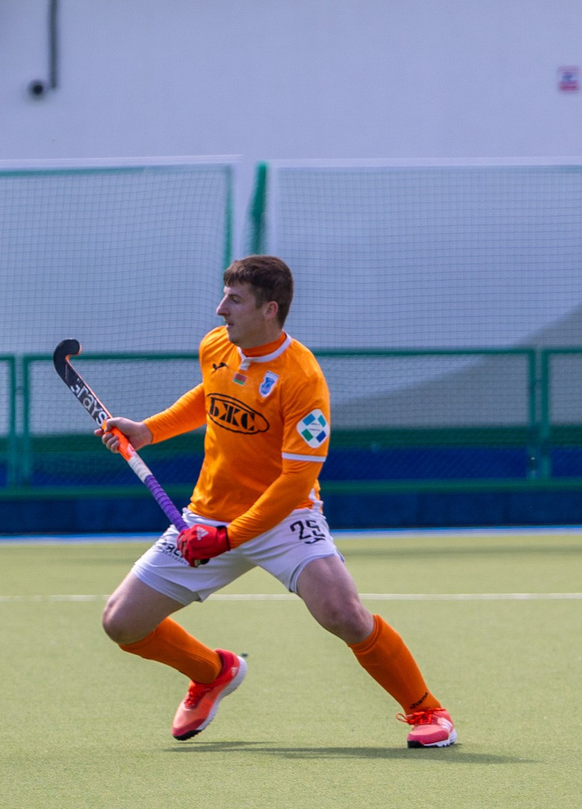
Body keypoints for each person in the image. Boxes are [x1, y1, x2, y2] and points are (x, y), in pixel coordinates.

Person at [91, 255, 456, 748]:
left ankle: (427, 712)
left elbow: (293, 482)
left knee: (343, 614)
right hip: (208, 516)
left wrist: (228, 538)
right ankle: (214, 672)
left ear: (270, 309)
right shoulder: (217, 345)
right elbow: (210, 394)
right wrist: (149, 430)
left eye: (234, 300)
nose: (221, 309)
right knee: (122, 623)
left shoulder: (303, 380)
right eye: (223, 295)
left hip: (284, 518)